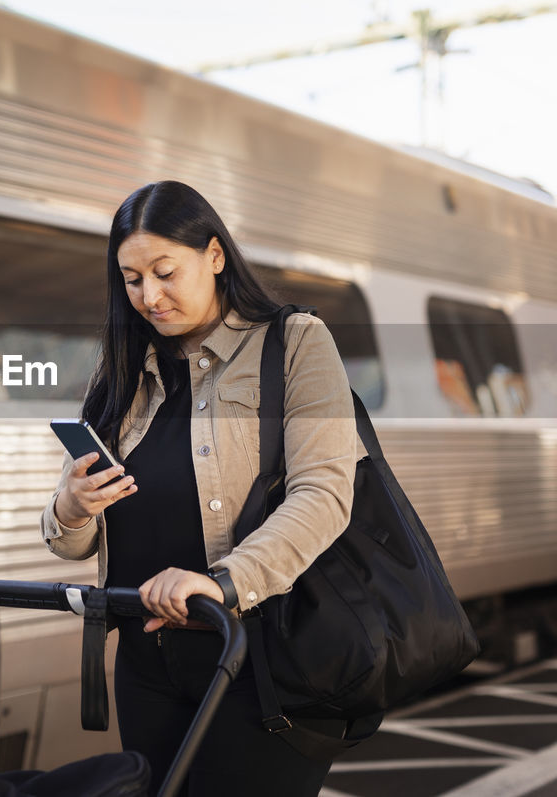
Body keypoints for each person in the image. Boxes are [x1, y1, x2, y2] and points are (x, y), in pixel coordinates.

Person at [40, 181, 358, 795]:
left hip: (255, 653)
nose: (148, 297)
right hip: (145, 661)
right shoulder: (121, 369)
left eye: (164, 272)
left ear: (215, 254)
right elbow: (71, 542)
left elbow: (325, 492)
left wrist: (221, 584)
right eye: (131, 279)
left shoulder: (294, 342)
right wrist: (72, 508)